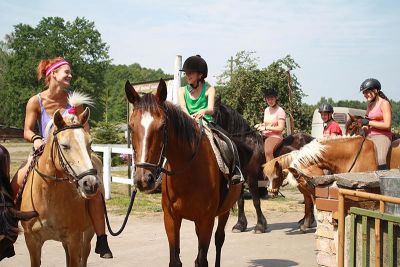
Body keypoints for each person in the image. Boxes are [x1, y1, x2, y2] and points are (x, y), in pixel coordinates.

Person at [10, 57, 113, 258]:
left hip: (73, 153)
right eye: (66, 72)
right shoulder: (36, 101)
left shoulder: (75, 103)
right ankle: (9, 230)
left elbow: (85, 132)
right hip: (44, 152)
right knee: (17, 180)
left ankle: (101, 238)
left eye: (70, 72)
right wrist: (37, 139)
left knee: (96, 188)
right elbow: (27, 130)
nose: (70, 75)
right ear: (53, 74)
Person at [178, 55, 243, 184]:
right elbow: (183, 107)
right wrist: (189, 117)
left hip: (206, 122)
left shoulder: (209, 89)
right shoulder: (181, 90)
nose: (187, 75)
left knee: (226, 142)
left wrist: (203, 111)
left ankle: (235, 171)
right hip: (188, 122)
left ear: (200, 75)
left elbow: (211, 109)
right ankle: (160, 173)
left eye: (190, 73)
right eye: (186, 73)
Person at [359, 78, 392, 170]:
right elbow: (366, 122)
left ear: (376, 90)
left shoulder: (384, 103)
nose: (365, 95)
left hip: (382, 136)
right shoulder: (369, 105)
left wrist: (369, 122)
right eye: (363, 93)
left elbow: (387, 125)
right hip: (369, 137)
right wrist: (363, 129)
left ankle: (385, 182)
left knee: (380, 159)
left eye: (367, 92)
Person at [255, 89, 286, 162]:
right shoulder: (266, 110)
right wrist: (260, 125)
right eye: (268, 99)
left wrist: (265, 128)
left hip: (275, 136)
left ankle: (272, 172)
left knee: (268, 151)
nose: (270, 101)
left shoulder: (280, 111)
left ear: (276, 98)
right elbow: (267, 123)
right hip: (264, 135)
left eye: (272, 98)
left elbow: (280, 128)